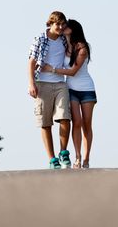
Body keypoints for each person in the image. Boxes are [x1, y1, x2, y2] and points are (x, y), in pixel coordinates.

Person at [42, 19, 97, 169]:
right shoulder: (64, 44)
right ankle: (77, 157)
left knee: (87, 124)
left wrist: (51, 69)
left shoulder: (82, 47)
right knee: (76, 122)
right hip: (71, 90)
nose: (63, 27)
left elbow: (72, 72)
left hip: (86, 90)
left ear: (73, 29)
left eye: (66, 26)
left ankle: (86, 159)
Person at [28, 11, 71, 169]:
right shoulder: (40, 38)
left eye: (62, 24)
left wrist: (67, 35)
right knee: (45, 123)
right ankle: (52, 159)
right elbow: (31, 62)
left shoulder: (64, 40)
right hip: (42, 83)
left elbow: (71, 53)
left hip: (60, 83)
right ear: (50, 24)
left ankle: (64, 152)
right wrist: (31, 84)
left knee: (65, 117)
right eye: (57, 24)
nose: (60, 27)